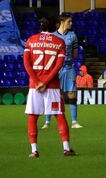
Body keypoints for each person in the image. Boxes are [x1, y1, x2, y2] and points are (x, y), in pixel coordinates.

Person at [23, 17, 76, 157]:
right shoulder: (60, 42)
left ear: (41, 26)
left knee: (33, 117)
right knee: (59, 115)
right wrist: (45, 82)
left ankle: (34, 151)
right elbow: (59, 65)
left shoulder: (31, 40)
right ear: (56, 25)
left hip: (35, 86)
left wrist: (37, 82)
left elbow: (27, 64)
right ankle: (66, 149)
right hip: (52, 85)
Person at [43, 13, 80, 129]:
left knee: (71, 94)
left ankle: (74, 122)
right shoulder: (52, 36)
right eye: (69, 21)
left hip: (69, 68)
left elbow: (75, 54)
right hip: (55, 69)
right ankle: (47, 122)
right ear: (62, 21)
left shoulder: (73, 36)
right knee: (53, 94)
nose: (71, 23)